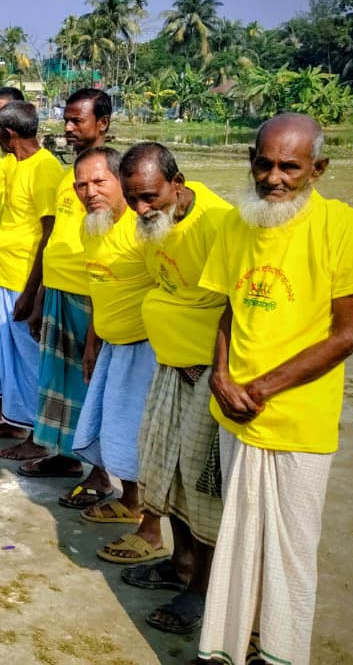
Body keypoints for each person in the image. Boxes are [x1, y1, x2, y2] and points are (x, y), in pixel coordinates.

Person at [195, 114, 353, 665]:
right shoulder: (236, 222)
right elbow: (227, 307)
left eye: (289, 167)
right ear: (250, 159)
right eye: (264, 164)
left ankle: (282, 654)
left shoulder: (345, 228)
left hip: (297, 419)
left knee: (290, 550)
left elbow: (347, 336)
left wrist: (262, 387)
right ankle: (225, 647)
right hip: (236, 410)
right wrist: (221, 376)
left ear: (318, 169)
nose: (274, 178)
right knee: (238, 537)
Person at [116, 142, 231, 635]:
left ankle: (203, 591)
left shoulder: (219, 224)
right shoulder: (151, 226)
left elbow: (234, 304)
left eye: (149, 197)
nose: (141, 209)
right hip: (170, 367)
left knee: (204, 491)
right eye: (133, 198)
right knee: (168, 476)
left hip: (207, 376)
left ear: (177, 184)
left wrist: (219, 370)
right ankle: (179, 564)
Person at [9, 89, 110, 500]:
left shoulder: (112, 172)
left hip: (92, 295)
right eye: (66, 120)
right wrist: (38, 295)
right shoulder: (69, 174)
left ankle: (102, 472)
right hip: (59, 289)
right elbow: (52, 233)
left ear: (102, 122)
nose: (67, 128)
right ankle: (64, 454)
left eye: (77, 121)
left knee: (93, 385)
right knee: (59, 381)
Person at [68, 147, 161, 562]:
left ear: (122, 181)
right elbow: (97, 288)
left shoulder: (147, 228)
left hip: (148, 350)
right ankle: (130, 502)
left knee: (147, 439)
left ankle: (154, 531)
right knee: (121, 434)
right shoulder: (94, 226)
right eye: (81, 184)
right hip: (112, 346)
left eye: (99, 182)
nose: (90, 192)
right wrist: (92, 341)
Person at [0, 100, 62, 441]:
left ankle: (34, 434)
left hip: (23, 279)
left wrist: (32, 292)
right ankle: (14, 417)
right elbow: (9, 221)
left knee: (28, 359)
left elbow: (48, 232)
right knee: (8, 356)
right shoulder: (14, 164)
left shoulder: (44, 169)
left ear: (8, 134)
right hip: (4, 272)